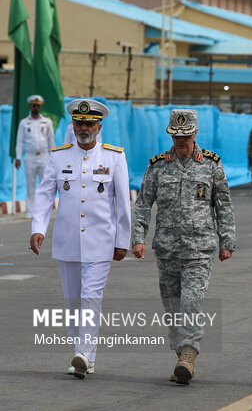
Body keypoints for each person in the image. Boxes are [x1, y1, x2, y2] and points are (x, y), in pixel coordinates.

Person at [130, 109, 236, 385]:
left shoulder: (211, 165)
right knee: (173, 306)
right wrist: (138, 238)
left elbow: (222, 205)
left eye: (186, 135)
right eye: (176, 135)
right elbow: (143, 204)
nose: (181, 140)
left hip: (200, 248)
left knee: (191, 301)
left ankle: (188, 354)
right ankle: (181, 356)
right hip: (167, 249)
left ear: (195, 133)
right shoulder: (158, 166)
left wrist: (227, 241)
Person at [29, 99, 131, 378]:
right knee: (73, 300)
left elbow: (123, 203)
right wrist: (38, 228)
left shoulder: (114, 157)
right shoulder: (59, 156)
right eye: (79, 123)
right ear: (73, 125)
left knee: (90, 296)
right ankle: (81, 354)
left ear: (99, 126)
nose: (83, 128)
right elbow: (45, 193)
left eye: (89, 123)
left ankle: (85, 354)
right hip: (67, 241)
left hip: (100, 242)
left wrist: (123, 240)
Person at [15, 95, 56, 217]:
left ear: (40, 107)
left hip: (44, 156)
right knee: (31, 184)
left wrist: (53, 157)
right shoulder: (24, 123)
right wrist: (18, 157)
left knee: (45, 184)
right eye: (33, 105)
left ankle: (44, 210)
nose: (35, 107)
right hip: (30, 156)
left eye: (37, 106)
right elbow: (20, 141)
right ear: (30, 106)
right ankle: (30, 211)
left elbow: (51, 140)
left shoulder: (47, 122)